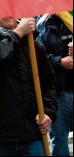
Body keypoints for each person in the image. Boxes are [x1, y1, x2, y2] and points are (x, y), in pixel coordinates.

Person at [0, 0, 58, 155]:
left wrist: (48, 112)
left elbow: (49, 84)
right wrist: (18, 34)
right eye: (1, 8)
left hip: (32, 137)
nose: (8, 13)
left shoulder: (32, 45)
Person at [35, 12, 73, 156]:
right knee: (59, 139)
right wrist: (60, 61)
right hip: (58, 92)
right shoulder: (42, 25)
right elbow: (37, 58)